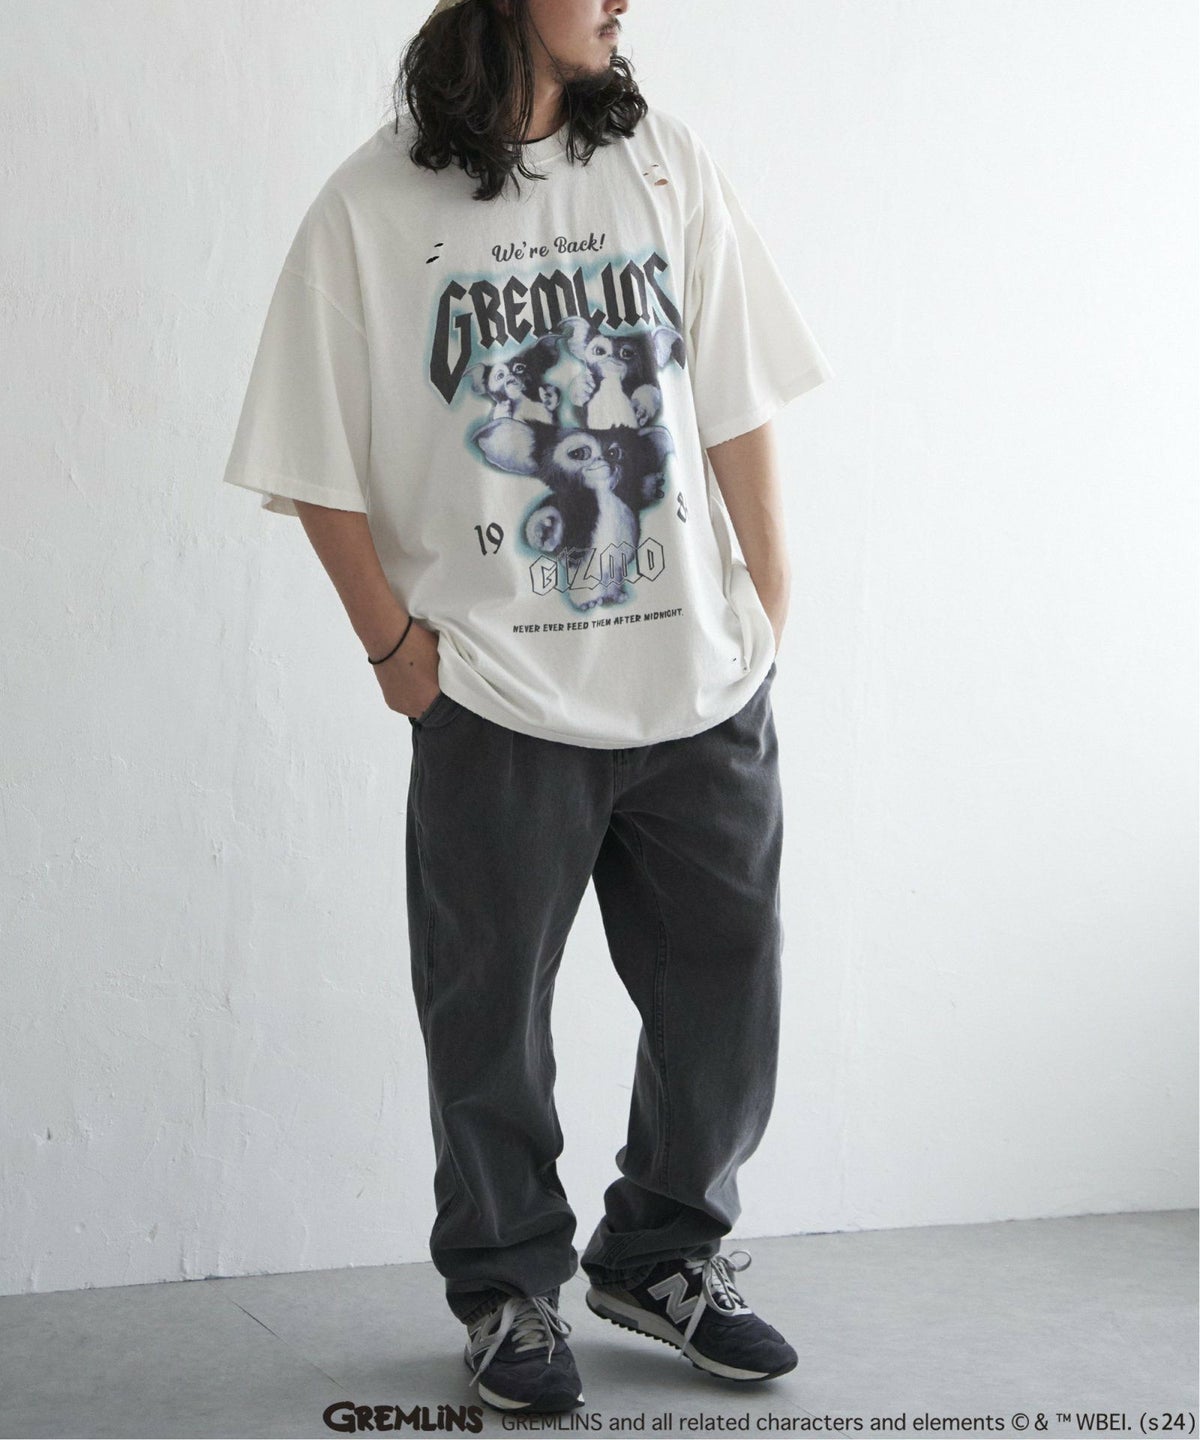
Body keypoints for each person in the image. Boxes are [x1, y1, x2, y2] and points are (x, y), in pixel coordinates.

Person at [221, 0, 834, 1416]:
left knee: (728, 990)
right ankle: (506, 1286)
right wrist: (394, 653)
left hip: (697, 683)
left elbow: (736, 386)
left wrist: (767, 601)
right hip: (498, 696)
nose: (624, 0)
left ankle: (664, 1254)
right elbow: (309, 454)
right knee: (487, 1017)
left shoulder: (663, 159)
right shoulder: (372, 205)